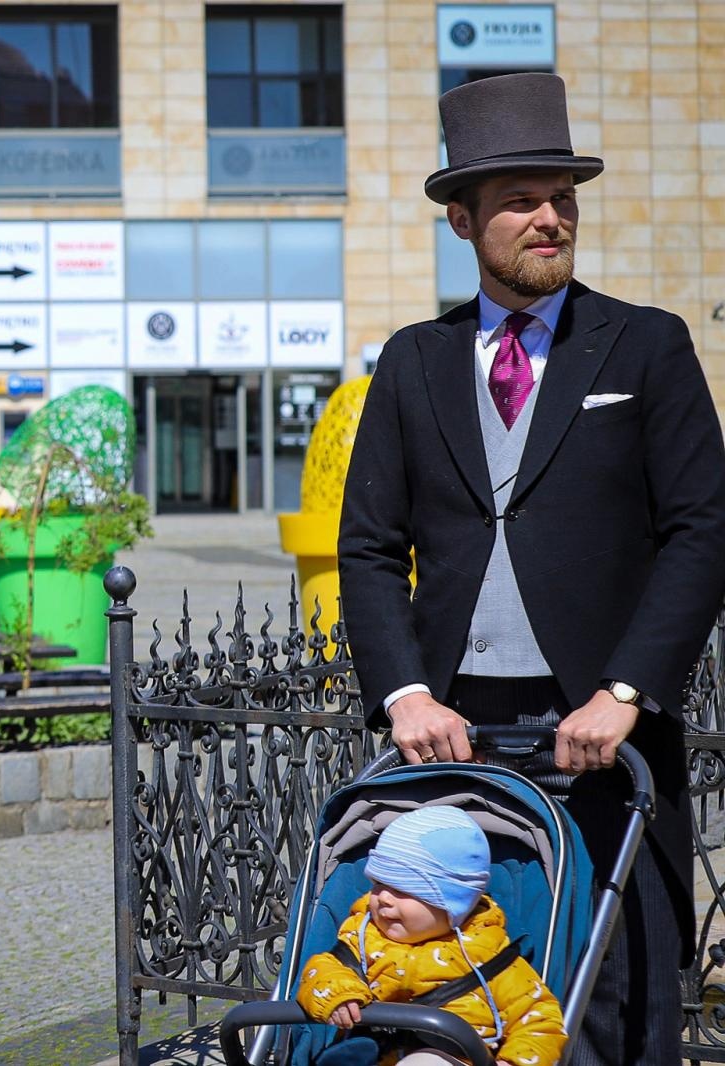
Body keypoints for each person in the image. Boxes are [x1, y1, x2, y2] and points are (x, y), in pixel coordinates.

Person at [338, 73, 725, 1066]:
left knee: (614, 994)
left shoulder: (644, 346)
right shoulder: (413, 360)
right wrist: (405, 694)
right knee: (461, 986)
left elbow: (702, 530)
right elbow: (370, 547)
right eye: (520, 200)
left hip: (604, 729)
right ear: (463, 220)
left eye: (562, 197)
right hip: (451, 731)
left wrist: (626, 691)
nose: (550, 218)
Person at [298, 807, 566, 1066]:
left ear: (454, 903)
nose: (384, 898)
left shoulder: (491, 957)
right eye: (378, 884)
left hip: (449, 1057)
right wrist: (339, 994)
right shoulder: (362, 935)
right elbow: (323, 967)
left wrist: (514, 1061)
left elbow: (540, 1019)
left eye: (404, 889)